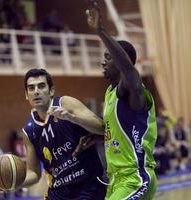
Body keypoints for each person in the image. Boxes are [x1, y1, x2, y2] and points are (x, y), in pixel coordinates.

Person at [84, 0, 158, 199]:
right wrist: (100, 137)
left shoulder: (133, 89)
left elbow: (129, 71)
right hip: (116, 180)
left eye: (108, 57)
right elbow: (122, 132)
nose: (103, 61)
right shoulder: (110, 93)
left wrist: (100, 30)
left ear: (120, 60)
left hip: (135, 177)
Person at [21, 68, 106, 199]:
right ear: (26, 95)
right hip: (58, 193)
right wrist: (14, 182)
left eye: (41, 86)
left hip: (87, 187)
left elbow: (102, 128)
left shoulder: (65, 103)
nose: (36, 91)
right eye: (31, 88)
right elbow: (34, 173)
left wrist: (73, 118)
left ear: (51, 91)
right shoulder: (29, 131)